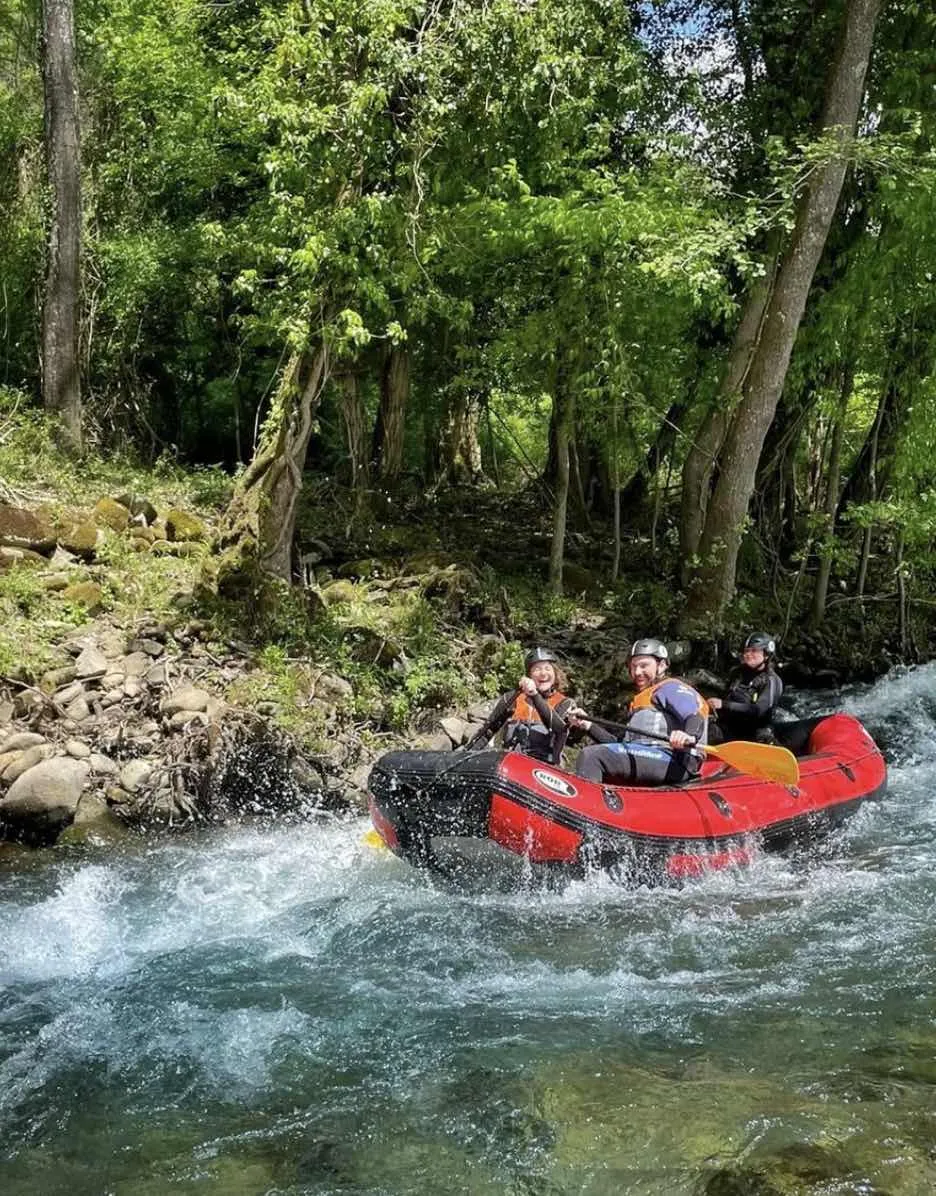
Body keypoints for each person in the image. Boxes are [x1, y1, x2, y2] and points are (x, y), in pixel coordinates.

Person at [569, 638, 709, 785]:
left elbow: (695, 714)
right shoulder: (640, 701)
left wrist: (689, 735)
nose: (637, 672)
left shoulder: (670, 687)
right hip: (649, 755)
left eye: (644, 666)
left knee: (592, 756)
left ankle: (586, 798)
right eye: (633, 666)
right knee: (594, 753)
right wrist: (588, 725)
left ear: (661, 666)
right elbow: (620, 747)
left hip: (676, 759)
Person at [470, 647, 575, 765]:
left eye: (547, 668)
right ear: (529, 675)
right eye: (537, 669)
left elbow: (559, 730)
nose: (543, 673)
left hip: (545, 767)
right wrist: (467, 753)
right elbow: (487, 732)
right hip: (511, 762)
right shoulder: (512, 698)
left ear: (555, 673)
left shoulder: (565, 703)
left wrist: (534, 695)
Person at [708, 631, 783, 744]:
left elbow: (758, 710)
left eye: (754, 650)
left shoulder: (771, 680)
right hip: (729, 726)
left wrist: (724, 704)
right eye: (746, 651)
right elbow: (725, 695)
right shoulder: (737, 672)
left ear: (766, 654)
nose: (748, 654)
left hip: (753, 733)